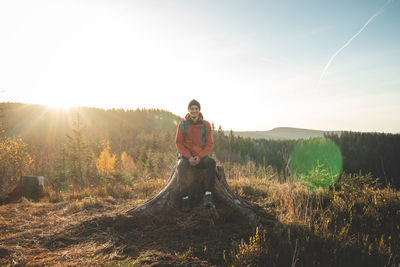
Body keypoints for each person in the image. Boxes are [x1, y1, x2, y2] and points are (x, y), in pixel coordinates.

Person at [175, 99, 216, 212]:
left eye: (196, 109)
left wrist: (200, 156)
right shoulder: (182, 125)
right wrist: (188, 157)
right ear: (188, 110)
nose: (194, 111)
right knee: (180, 166)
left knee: (211, 163)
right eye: (192, 109)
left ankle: (208, 195)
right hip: (186, 157)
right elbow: (179, 143)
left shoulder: (206, 125)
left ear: (199, 110)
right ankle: (185, 198)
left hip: (201, 157)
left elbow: (210, 144)